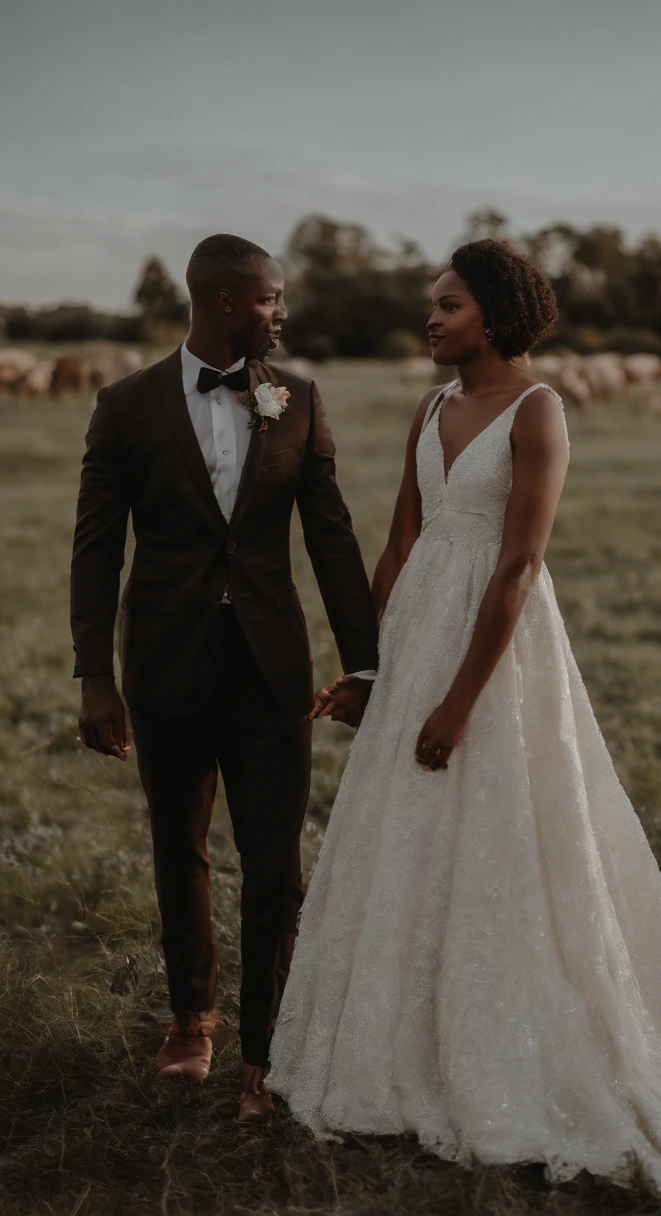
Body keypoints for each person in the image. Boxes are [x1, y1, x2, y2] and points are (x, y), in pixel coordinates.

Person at [267, 238, 661, 1189]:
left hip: (498, 651)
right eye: (431, 304)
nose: (432, 319)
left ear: (494, 312)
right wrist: (373, 667)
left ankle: (509, 1048)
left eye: (447, 305)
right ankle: (396, 1044)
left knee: (497, 832)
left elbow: (520, 566)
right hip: (416, 641)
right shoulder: (432, 404)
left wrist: (454, 702)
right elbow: (402, 537)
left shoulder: (539, 411)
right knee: (402, 832)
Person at [70, 234, 377, 1123]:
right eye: (272, 299)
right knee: (180, 849)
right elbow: (97, 551)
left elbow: (330, 533)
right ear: (225, 301)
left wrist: (363, 661)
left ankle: (268, 1048)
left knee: (277, 865)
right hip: (163, 669)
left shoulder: (300, 399)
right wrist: (96, 675)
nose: (282, 313)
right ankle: (191, 1020)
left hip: (272, 670)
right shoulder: (124, 405)